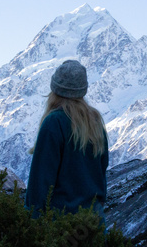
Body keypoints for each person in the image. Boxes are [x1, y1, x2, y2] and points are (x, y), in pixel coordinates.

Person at [25, 60, 109, 225]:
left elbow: (40, 180)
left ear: (54, 90)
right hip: (93, 222)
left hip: (62, 223)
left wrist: (31, 222)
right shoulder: (95, 121)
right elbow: (102, 170)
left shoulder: (54, 122)